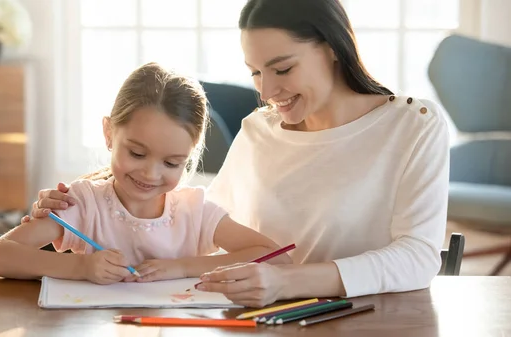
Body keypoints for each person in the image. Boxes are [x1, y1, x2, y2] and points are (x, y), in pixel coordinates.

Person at [26, 0, 450, 307]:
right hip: (256, 317)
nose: (266, 92)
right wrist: (86, 199)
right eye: (255, 73)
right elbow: (199, 224)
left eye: (282, 69)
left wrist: (288, 283)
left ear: (332, 47)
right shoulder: (259, 130)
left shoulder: (413, 125)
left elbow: (417, 257)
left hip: (369, 317)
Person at [0, 62, 291, 288]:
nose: (150, 173)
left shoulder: (193, 211)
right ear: (109, 133)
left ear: (189, 158)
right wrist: (81, 266)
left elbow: (276, 257)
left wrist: (183, 267)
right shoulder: (82, 202)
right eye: (137, 154)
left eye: (171, 163)